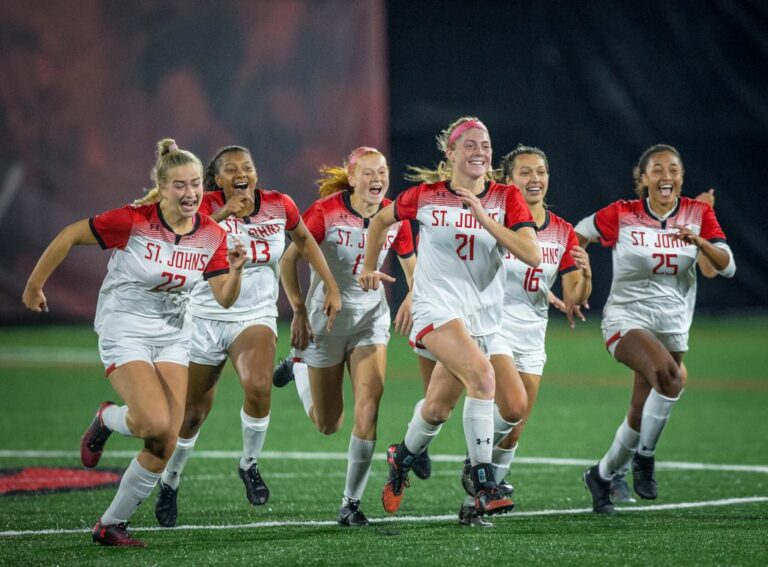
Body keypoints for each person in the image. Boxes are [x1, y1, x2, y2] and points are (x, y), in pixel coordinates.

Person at [22, 139, 246, 547]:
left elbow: (224, 298)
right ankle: (107, 418)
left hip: (175, 334)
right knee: (154, 423)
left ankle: (111, 524)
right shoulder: (133, 220)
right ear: (162, 188)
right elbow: (70, 235)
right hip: (124, 326)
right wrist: (35, 285)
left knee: (167, 437)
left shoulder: (211, 234)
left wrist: (236, 271)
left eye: (196, 184)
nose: (191, 193)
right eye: (179, 185)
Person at [358, 117, 541, 519]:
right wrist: (369, 266)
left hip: (485, 318)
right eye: (470, 145)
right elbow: (379, 222)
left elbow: (532, 254)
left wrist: (485, 219)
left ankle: (402, 455)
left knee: (505, 408)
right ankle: (483, 482)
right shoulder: (425, 196)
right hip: (435, 308)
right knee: (481, 375)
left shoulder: (505, 198)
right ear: (451, 153)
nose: (480, 152)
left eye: (486, 145)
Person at [153, 146, 341, 528]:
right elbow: (176, 238)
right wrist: (223, 214)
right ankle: (170, 480)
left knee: (258, 385)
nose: (243, 174)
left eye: (249, 167)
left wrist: (331, 285)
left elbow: (304, 241)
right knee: (192, 414)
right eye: (232, 170)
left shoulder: (277, 205)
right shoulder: (199, 206)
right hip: (202, 315)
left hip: (254, 315)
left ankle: (249, 463)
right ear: (217, 180)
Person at [577, 144, 735, 514]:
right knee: (670, 375)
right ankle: (644, 459)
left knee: (639, 411)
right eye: (658, 170)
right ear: (643, 178)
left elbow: (726, 266)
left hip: (673, 324)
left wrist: (699, 242)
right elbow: (578, 234)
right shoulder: (623, 213)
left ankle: (600, 476)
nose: (667, 176)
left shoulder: (698, 213)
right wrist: (577, 276)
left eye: (674, 169)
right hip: (625, 318)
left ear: (681, 176)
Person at [276, 147, 416, 526]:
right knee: (328, 424)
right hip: (327, 321)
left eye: (382, 172)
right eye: (368, 173)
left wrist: (413, 296)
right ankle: (298, 366)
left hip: (371, 320)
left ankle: (350, 504)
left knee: (369, 407)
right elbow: (288, 260)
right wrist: (300, 311)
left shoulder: (393, 216)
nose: (377, 179)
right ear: (351, 178)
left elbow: (411, 266)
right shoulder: (326, 211)